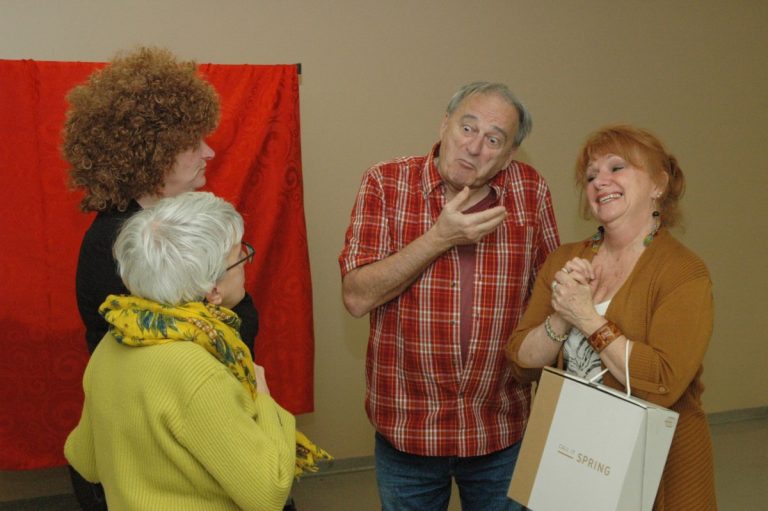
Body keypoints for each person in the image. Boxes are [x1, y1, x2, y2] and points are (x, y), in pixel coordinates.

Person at [339, 82, 560, 510]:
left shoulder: (530, 191)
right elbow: (356, 297)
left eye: (493, 139)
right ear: (445, 125)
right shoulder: (386, 183)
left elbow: (548, 298)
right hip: (409, 429)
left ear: (509, 154)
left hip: (500, 427)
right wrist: (439, 238)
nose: (474, 147)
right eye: (467, 127)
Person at [62, 46, 260, 510]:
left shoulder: (181, 222)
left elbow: (234, 320)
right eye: (192, 144)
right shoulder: (114, 246)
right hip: (158, 463)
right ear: (150, 155)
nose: (208, 151)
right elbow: (176, 366)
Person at [506, 125, 716, 510]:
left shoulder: (684, 271)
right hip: (573, 458)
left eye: (616, 168)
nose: (600, 181)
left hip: (658, 469)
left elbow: (663, 383)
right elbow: (521, 360)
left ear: (658, 184)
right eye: (591, 175)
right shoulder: (563, 260)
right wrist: (562, 318)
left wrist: (587, 318)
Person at [64, 191, 296, 510]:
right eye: (239, 256)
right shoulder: (199, 368)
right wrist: (264, 397)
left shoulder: (115, 339)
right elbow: (270, 493)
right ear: (213, 291)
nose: (246, 264)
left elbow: (85, 460)